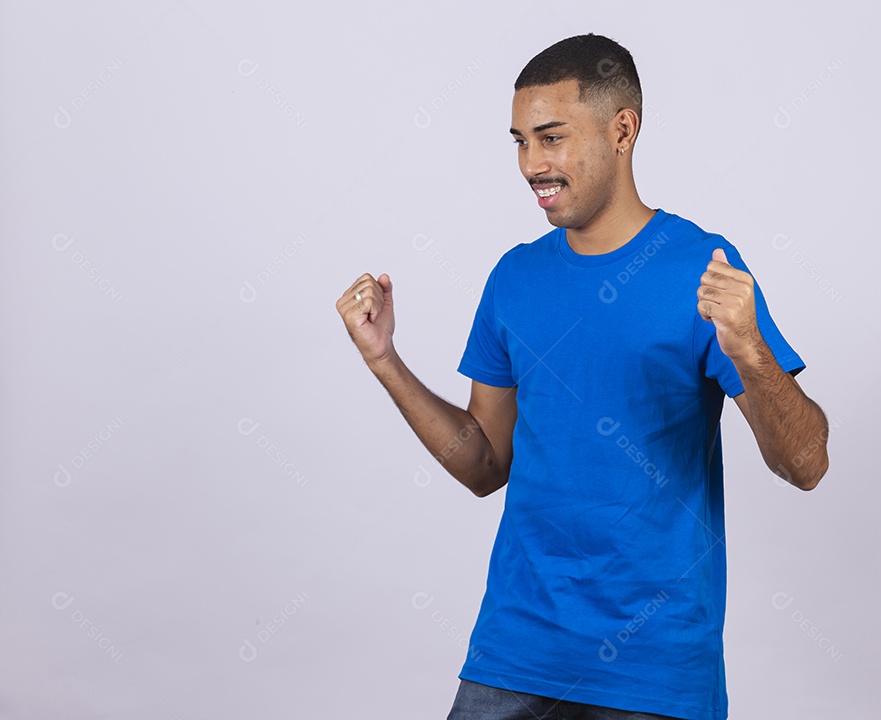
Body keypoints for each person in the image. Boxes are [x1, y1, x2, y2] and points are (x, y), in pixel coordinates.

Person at [336, 32, 829, 720]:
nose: (531, 164)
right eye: (519, 141)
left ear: (622, 129)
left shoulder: (700, 267)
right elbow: (483, 464)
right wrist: (384, 361)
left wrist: (750, 351)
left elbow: (806, 462)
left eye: (551, 137)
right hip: (514, 657)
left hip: (654, 676)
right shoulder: (515, 277)